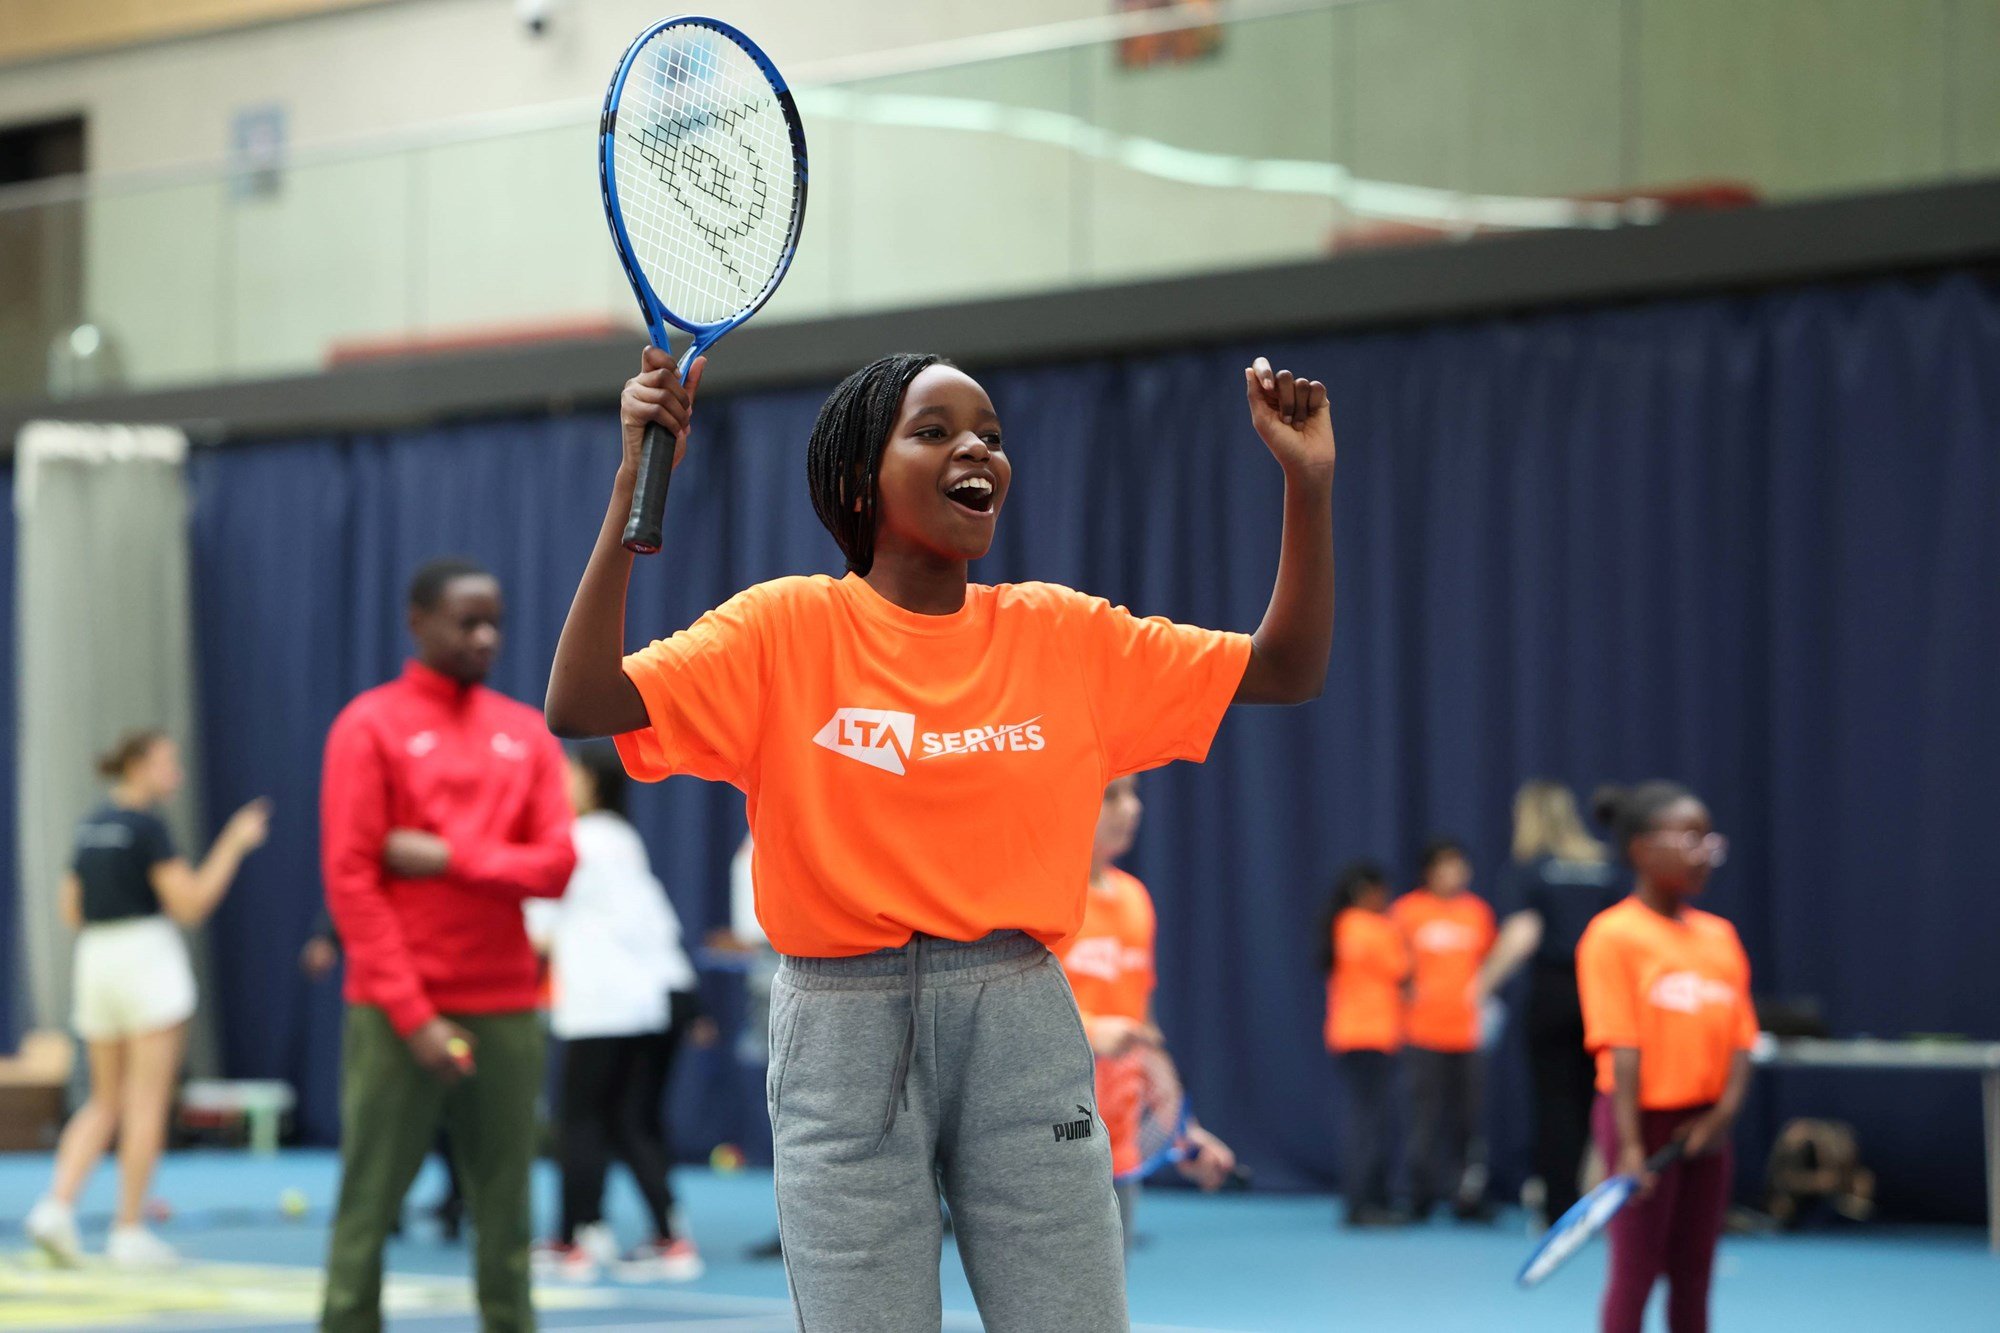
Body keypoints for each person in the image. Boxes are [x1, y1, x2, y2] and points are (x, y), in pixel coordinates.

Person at [545, 348, 1335, 1329]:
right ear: (854, 479)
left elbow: (1285, 669)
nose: (976, 449)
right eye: (934, 430)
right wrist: (634, 484)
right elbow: (579, 700)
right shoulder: (782, 629)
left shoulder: (1062, 634)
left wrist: (1306, 485)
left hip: (1021, 1018)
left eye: (991, 436)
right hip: (841, 1031)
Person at [319, 558, 576, 1333]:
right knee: (370, 1202)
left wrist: (448, 856)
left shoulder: (525, 732)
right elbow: (352, 881)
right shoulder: (370, 725)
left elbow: (556, 866)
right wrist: (413, 1014)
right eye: (467, 621)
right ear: (418, 621)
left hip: (504, 1005)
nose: (485, 636)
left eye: (494, 620)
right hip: (399, 1011)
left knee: (506, 1206)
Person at [24, 732, 269, 1269]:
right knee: (145, 1101)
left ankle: (55, 1207)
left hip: (95, 962)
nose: (175, 774)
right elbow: (192, 904)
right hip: (143, 961)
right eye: (167, 763)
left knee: (103, 1099)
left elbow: (71, 911)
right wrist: (234, 842)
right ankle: (128, 1230)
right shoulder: (149, 828)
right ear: (137, 766)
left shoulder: (89, 825)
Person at [1577, 782, 1753, 1333]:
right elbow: (1621, 1046)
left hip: (1705, 1127)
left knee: (1694, 1275)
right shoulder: (1612, 936)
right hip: (1640, 1126)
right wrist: (1629, 1145)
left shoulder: (1720, 937)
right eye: (1689, 838)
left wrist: (1722, 1117)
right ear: (1640, 848)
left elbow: (1742, 1040)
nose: (1704, 853)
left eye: (1709, 840)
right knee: (1635, 1274)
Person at [528, 742, 706, 1283]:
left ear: (590, 782)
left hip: (601, 1005)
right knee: (631, 1121)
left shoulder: (571, 841)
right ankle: (665, 1236)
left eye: (567, 774)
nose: (558, 784)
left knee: (578, 1121)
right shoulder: (623, 839)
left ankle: (573, 1241)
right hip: (651, 1002)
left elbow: (537, 928)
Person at [1055, 777, 1236, 1253]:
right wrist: (1091, 1030)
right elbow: (1004, 1015)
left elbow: (1144, 1029)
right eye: (1111, 795)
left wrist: (1181, 1130)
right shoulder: (1044, 898)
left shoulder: (1136, 898)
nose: (1131, 809)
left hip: (1120, 1146)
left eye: (1134, 794)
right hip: (1050, 1139)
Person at [1474, 779, 1623, 1222]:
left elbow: (1523, 934)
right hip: (1604, 995)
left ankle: (1561, 1207)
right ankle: (1599, 1196)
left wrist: (1479, 986)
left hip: (1555, 993)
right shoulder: (1607, 867)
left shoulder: (1531, 869)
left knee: (1554, 1102)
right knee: (1599, 1098)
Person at [1390, 838, 1497, 1221]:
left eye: (1459, 865)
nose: (1454, 874)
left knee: (1469, 1121)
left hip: (1469, 1035)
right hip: (1421, 1034)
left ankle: (1467, 1197)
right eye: (1445, 866)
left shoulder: (1478, 913)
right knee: (1425, 1119)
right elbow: (1391, 966)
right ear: (1429, 871)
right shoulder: (1406, 911)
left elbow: (1490, 965)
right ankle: (1420, 1195)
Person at [1316, 860, 1407, 1227]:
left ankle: (1367, 1200)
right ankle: (1363, 1203)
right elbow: (1401, 967)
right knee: (1368, 1122)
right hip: (1369, 1036)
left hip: (1355, 1035)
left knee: (1367, 1120)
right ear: (1365, 891)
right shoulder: (1369, 926)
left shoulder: (1342, 925)